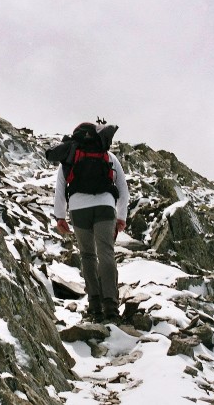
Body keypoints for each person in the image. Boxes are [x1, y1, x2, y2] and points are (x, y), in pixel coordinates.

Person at [50, 122, 129, 323]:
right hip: (105, 206)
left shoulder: (69, 155)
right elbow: (123, 189)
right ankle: (110, 305)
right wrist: (121, 217)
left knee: (87, 255)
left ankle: (94, 306)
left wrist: (60, 216)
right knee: (106, 253)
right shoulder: (108, 155)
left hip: (78, 208)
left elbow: (60, 189)